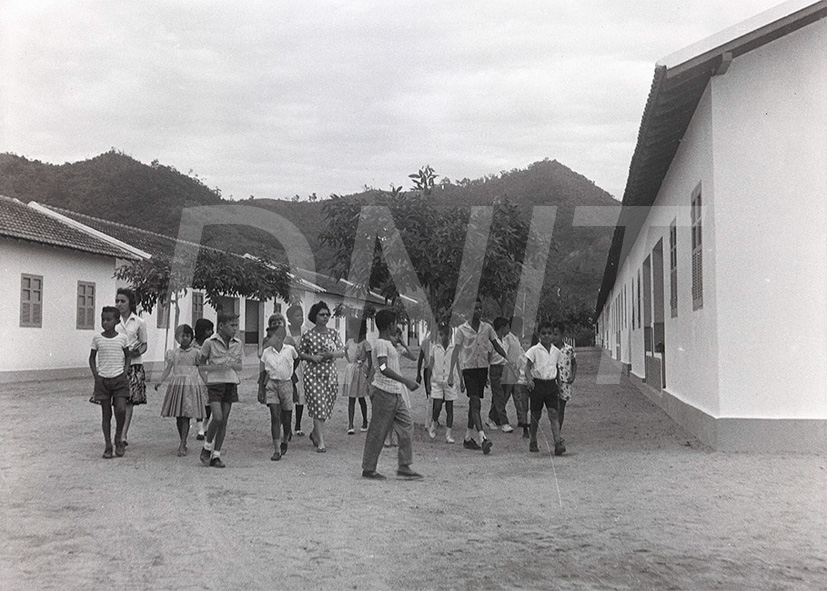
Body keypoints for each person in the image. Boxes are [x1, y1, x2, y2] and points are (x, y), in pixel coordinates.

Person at [361, 309, 422, 480]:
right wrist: (405, 381)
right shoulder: (381, 344)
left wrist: (400, 341)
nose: (397, 326)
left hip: (394, 392)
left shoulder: (389, 344)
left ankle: (404, 465)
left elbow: (410, 356)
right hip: (383, 391)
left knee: (407, 425)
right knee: (378, 431)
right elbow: (382, 368)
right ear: (390, 325)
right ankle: (369, 468)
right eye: (395, 323)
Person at [450, 299, 514, 454]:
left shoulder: (487, 328)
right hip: (469, 370)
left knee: (474, 404)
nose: (478, 311)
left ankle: (467, 438)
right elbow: (456, 352)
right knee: (475, 402)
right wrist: (452, 374)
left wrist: (508, 359)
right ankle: (482, 437)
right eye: (475, 308)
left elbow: (496, 345)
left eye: (480, 308)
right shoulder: (461, 330)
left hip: (482, 369)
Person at [155, 324, 207, 457]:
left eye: (187, 336)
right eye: (182, 336)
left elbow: (201, 368)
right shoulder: (173, 353)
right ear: (178, 338)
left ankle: (183, 443)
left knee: (186, 414)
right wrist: (160, 381)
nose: (185, 338)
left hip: (190, 385)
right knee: (179, 415)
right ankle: (182, 439)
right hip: (177, 385)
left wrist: (208, 382)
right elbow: (168, 369)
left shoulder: (196, 353)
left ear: (191, 337)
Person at [198, 312, 243, 468]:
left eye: (236, 325)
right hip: (215, 384)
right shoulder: (209, 343)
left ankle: (216, 455)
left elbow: (240, 366)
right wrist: (207, 379)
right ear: (221, 326)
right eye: (232, 325)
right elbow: (201, 365)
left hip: (230, 383)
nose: (235, 329)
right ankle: (207, 447)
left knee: (224, 420)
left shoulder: (238, 343)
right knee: (217, 417)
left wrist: (232, 364)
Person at [299, 301, 344, 453]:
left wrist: (331, 354)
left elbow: (342, 351)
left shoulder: (333, 333)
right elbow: (300, 353)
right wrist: (311, 358)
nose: (325, 317)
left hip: (330, 373)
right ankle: (321, 442)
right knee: (318, 405)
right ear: (315, 316)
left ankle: (314, 433)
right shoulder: (308, 334)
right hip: (313, 374)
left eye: (327, 314)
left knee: (325, 406)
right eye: (321, 314)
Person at [89, 306, 130, 458]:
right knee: (106, 414)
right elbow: (92, 358)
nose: (105, 322)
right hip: (103, 381)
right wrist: (96, 376)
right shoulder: (97, 338)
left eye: (108, 319)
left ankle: (118, 438)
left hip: (119, 379)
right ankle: (108, 445)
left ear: (117, 321)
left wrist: (125, 371)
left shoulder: (122, 338)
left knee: (120, 410)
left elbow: (128, 356)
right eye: (103, 319)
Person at [525, 321, 566, 455]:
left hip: (551, 385)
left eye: (550, 333)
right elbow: (527, 367)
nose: (547, 336)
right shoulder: (534, 350)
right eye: (544, 333)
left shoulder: (556, 351)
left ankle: (557, 442)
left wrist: (559, 384)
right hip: (538, 384)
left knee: (554, 413)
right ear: (539, 334)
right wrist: (529, 379)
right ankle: (533, 439)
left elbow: (557, 368)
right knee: (536, 414)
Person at [259, 324, 298, 461]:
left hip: (286, 384)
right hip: (272, 384)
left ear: (281, 337)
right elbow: (263, 371)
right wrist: (261, 389)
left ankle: (285, 439)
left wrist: (290, 371)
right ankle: (276, 449)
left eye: (273, 336)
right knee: (275, 416)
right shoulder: (266, 353)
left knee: (286, 418)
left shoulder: (290, 350)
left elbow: (297, 359)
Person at [114, 288, 148, 447]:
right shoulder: (113, 321)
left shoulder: (139, 322)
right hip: (116, 366)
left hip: (133, 366)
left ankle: (123, 434)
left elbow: (144, 345)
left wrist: (135, 353)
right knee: (117, 401)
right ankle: (118, 431)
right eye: (117, 301)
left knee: (128, 402)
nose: (119, 304)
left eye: (123, 301)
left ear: (130, 303)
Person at [428, 322, 457, 443]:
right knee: (437, 406)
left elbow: (457, 364)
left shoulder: (454, 348)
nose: (439, 337)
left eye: (442, 334)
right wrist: (428, 382)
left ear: (448, 336)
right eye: (439, 334)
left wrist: (460, 379)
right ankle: (434, 423)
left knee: (450, 408)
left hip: (450, 382)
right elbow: (430, 366)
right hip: (437, 381)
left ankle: (448, 434)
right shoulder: (435, 348)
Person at [343, 317, 372, 434]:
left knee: (361, 398)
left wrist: (368, 373)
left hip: (361, 372)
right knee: (351, 398)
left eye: (350, 328)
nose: (348, 330)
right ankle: (350, 424)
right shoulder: (349, 342)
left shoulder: (365, 343)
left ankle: (365, 420)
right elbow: (345, 351)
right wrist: (350, 361)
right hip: (351, 371)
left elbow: (370, 360)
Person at [485, 317, 514, 433]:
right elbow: (487, 358)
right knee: (499, 396)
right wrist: (486, 374)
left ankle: (491, 418)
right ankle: (504, 422)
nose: (509, 329)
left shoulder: (506, 341)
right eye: (507, 327)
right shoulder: (492, 342)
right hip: (495, 369)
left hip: (505, 368)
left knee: (500, 396)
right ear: (502, 328)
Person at [501, 317, 527, 434]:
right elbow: (504, 354)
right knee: (505, 396)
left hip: (516, 372)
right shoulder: (508, 338)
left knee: (518, 396)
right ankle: (494, 416)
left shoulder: (516, 339)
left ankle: (521, 419)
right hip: (509, 371)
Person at [285, 303, 308, 436]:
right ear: (289, 318)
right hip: (288, 365)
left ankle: (298, 425)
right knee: (288, 396)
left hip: (301, 366)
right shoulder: (285, 331)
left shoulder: (305, 331)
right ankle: (287, 427)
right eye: (297, 316)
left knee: (300, 395)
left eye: (301, 316)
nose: (300, 318)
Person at [552, 322, 577, 432]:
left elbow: (574, 363)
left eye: (556, 334)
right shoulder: (549, 349)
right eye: (552, 334)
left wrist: (573, 375)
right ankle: (556, 432)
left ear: (562, 335)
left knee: (561, 408)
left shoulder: (568, 349)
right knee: (554, 408)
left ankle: (558, 431)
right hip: (552, 382)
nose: (554, 337)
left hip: (564, 383)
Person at [193, 318, 214, 440]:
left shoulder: (212, 344)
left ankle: (205, 425)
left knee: (210, 402)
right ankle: (200, 427)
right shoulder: (192, 344)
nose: (210, 332)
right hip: (195, 376)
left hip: (209, 374)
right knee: (199, 402)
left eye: (211, 329)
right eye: (207, 330)